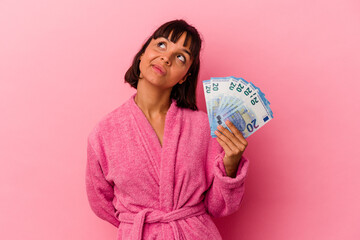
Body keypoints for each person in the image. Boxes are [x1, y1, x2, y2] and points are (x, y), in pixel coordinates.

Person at [85, 19, 250, 240]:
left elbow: (218, 207)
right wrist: (139, 226)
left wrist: (230, 167)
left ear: (185, 75)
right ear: (143, 53)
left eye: (180, 57)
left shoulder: (204, 128)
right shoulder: (104, 133)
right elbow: (100, 202)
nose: (166, 57)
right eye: (161, 45)